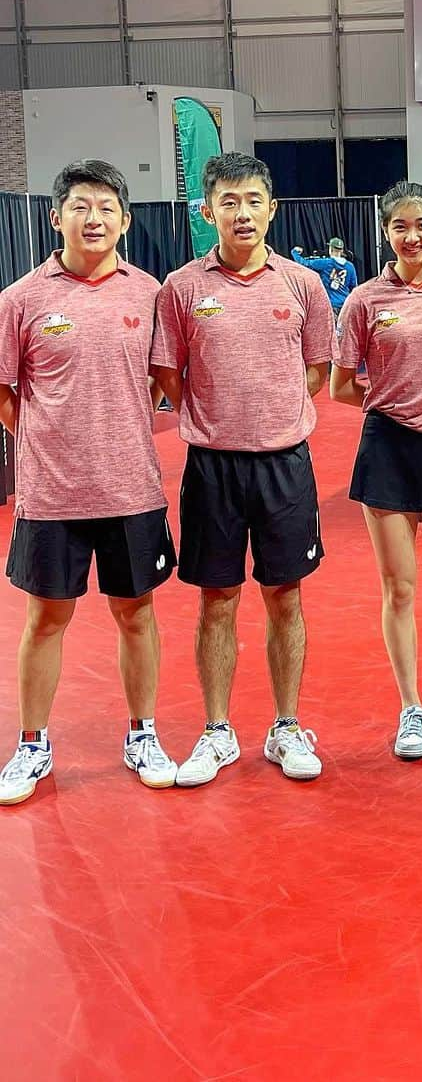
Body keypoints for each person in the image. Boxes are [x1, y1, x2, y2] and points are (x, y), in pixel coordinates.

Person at [151, 152, 335, 788]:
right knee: (217, 601)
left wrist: (268, 417)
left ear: (272, 208)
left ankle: (287, 726)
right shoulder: (181, 289)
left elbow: (315, 373)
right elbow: (168, 377)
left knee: (287, 596)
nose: (242, 213)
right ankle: (216, 730)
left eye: (253, 200)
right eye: (228, 201)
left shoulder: (303, 285)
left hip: (286, 465)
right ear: (208, 212)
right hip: (211, 470)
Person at [0, 161, 178, 806]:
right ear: (56, 217)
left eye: (107, 207)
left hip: (132, 487)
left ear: (126, 221)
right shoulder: (21, 299)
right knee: (46, 618)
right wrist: (53, 444)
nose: (94, 218)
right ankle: (32, 745)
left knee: (137, 614)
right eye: (81, 206)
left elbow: (164, 384)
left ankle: (143, 734)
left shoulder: (149, 293)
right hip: (52, 495)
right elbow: (5, 392)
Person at [330, 183, 422, 761]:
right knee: (398, 588)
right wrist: (392, 401)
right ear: (385, 232)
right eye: (399, 226)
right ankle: (410, 709)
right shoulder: (364, 300)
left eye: (421, 224)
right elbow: (344, 386)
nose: (411, 236)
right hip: (387, 449)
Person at [290, 236, 358, 315]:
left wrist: (294, 252)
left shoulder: (325, 263)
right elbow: (354, 288)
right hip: (345, 306)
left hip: (331, 305)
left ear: (331, 249)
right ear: (342, 250)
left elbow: (304, 263)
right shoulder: (350, 266)